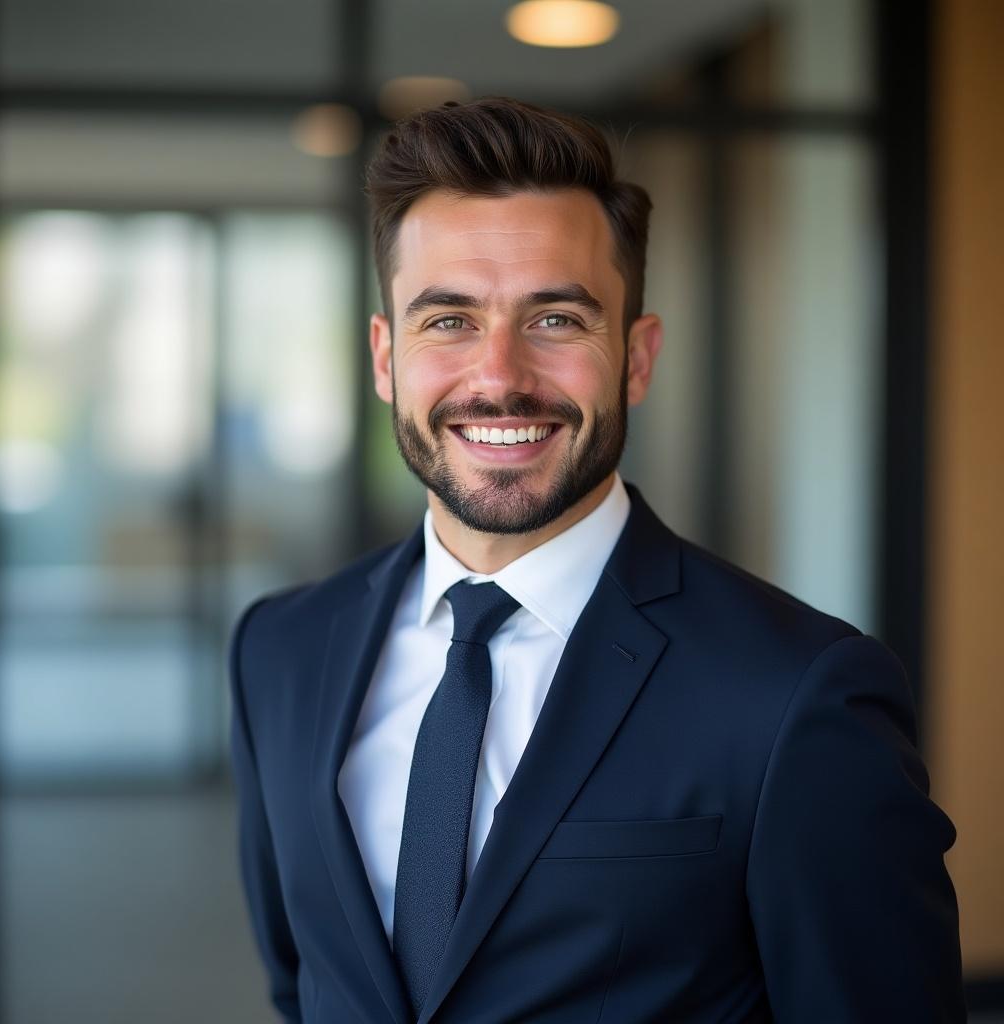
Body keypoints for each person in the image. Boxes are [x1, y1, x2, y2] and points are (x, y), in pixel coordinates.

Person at [229, 97, 964, 1024]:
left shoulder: (795, 693)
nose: (498, 376)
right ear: (386, 357)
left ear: (638, 357)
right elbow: (305, 987)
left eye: (558, 321)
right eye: (448, 321)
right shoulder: (278, 650)